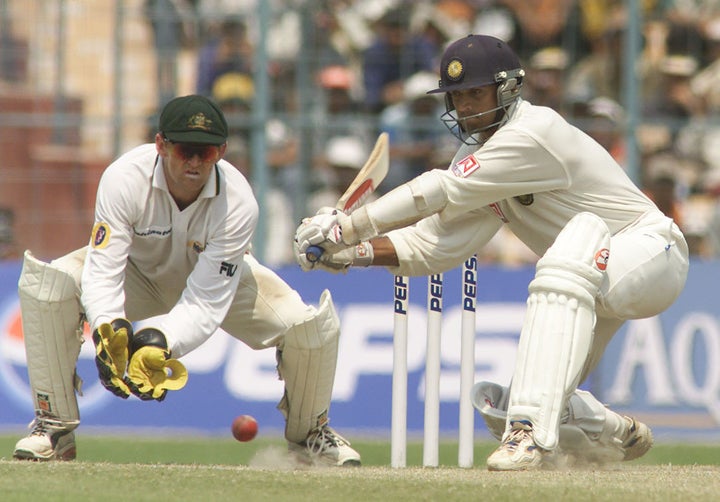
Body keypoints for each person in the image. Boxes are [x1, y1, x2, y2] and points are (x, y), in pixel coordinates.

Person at [293, 35, 689, 470]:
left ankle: (529, 434)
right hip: (590, 279)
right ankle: (610, 431)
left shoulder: (535, 132)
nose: (464, 107)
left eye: (475, 94)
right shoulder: (480, 155)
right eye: (456, 97)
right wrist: (354, 252)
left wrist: (345, 225)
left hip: (653, 252)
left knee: (568, 250)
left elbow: (439, 189)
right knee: (511, 405)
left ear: (509, 89)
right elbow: (432, 243)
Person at [12, 95, 361, 467]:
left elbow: (206, 300)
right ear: (161, 145)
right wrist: (106, 327)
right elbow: (104, 268)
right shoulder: (124, 178)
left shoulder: (239, 201)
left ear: (222, 151)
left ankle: (310, 437)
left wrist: (162, 341)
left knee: (310, 328)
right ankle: (53, 429)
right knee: (47, 287)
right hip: (136, 274)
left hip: (212, 282)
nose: (194, 163)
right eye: (184, 150)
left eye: (206, 153)